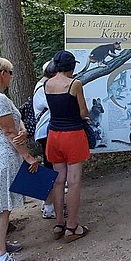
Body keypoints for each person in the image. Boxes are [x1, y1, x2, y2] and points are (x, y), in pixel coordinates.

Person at [0, 57, 38, 261]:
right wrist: (27, 156)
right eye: (10, 72)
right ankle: (0, 257)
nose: (12, 76)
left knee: (2, 205)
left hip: (5, 155)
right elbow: (8, 131)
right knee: (0, 207)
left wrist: (22, 128)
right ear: (1, 73)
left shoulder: (0, 97)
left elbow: (15, 121)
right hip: (3, 157)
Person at [45, 50, 91, 242]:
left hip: (54, 135)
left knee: (58, 181)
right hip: (73, 135)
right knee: (73, 182)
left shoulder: (47, 83)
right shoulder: (75, 84)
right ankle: (72, 226)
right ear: (72, 66)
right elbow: (82, 111)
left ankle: (58, 224)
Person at [33, 60, 57, 219]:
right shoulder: (43, 88)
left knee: (51, 167)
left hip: (47, 131)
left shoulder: (42, 86)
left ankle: (50, 203)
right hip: (46, 131)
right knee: (50, 169)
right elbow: (54, 106)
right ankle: (48, 206)